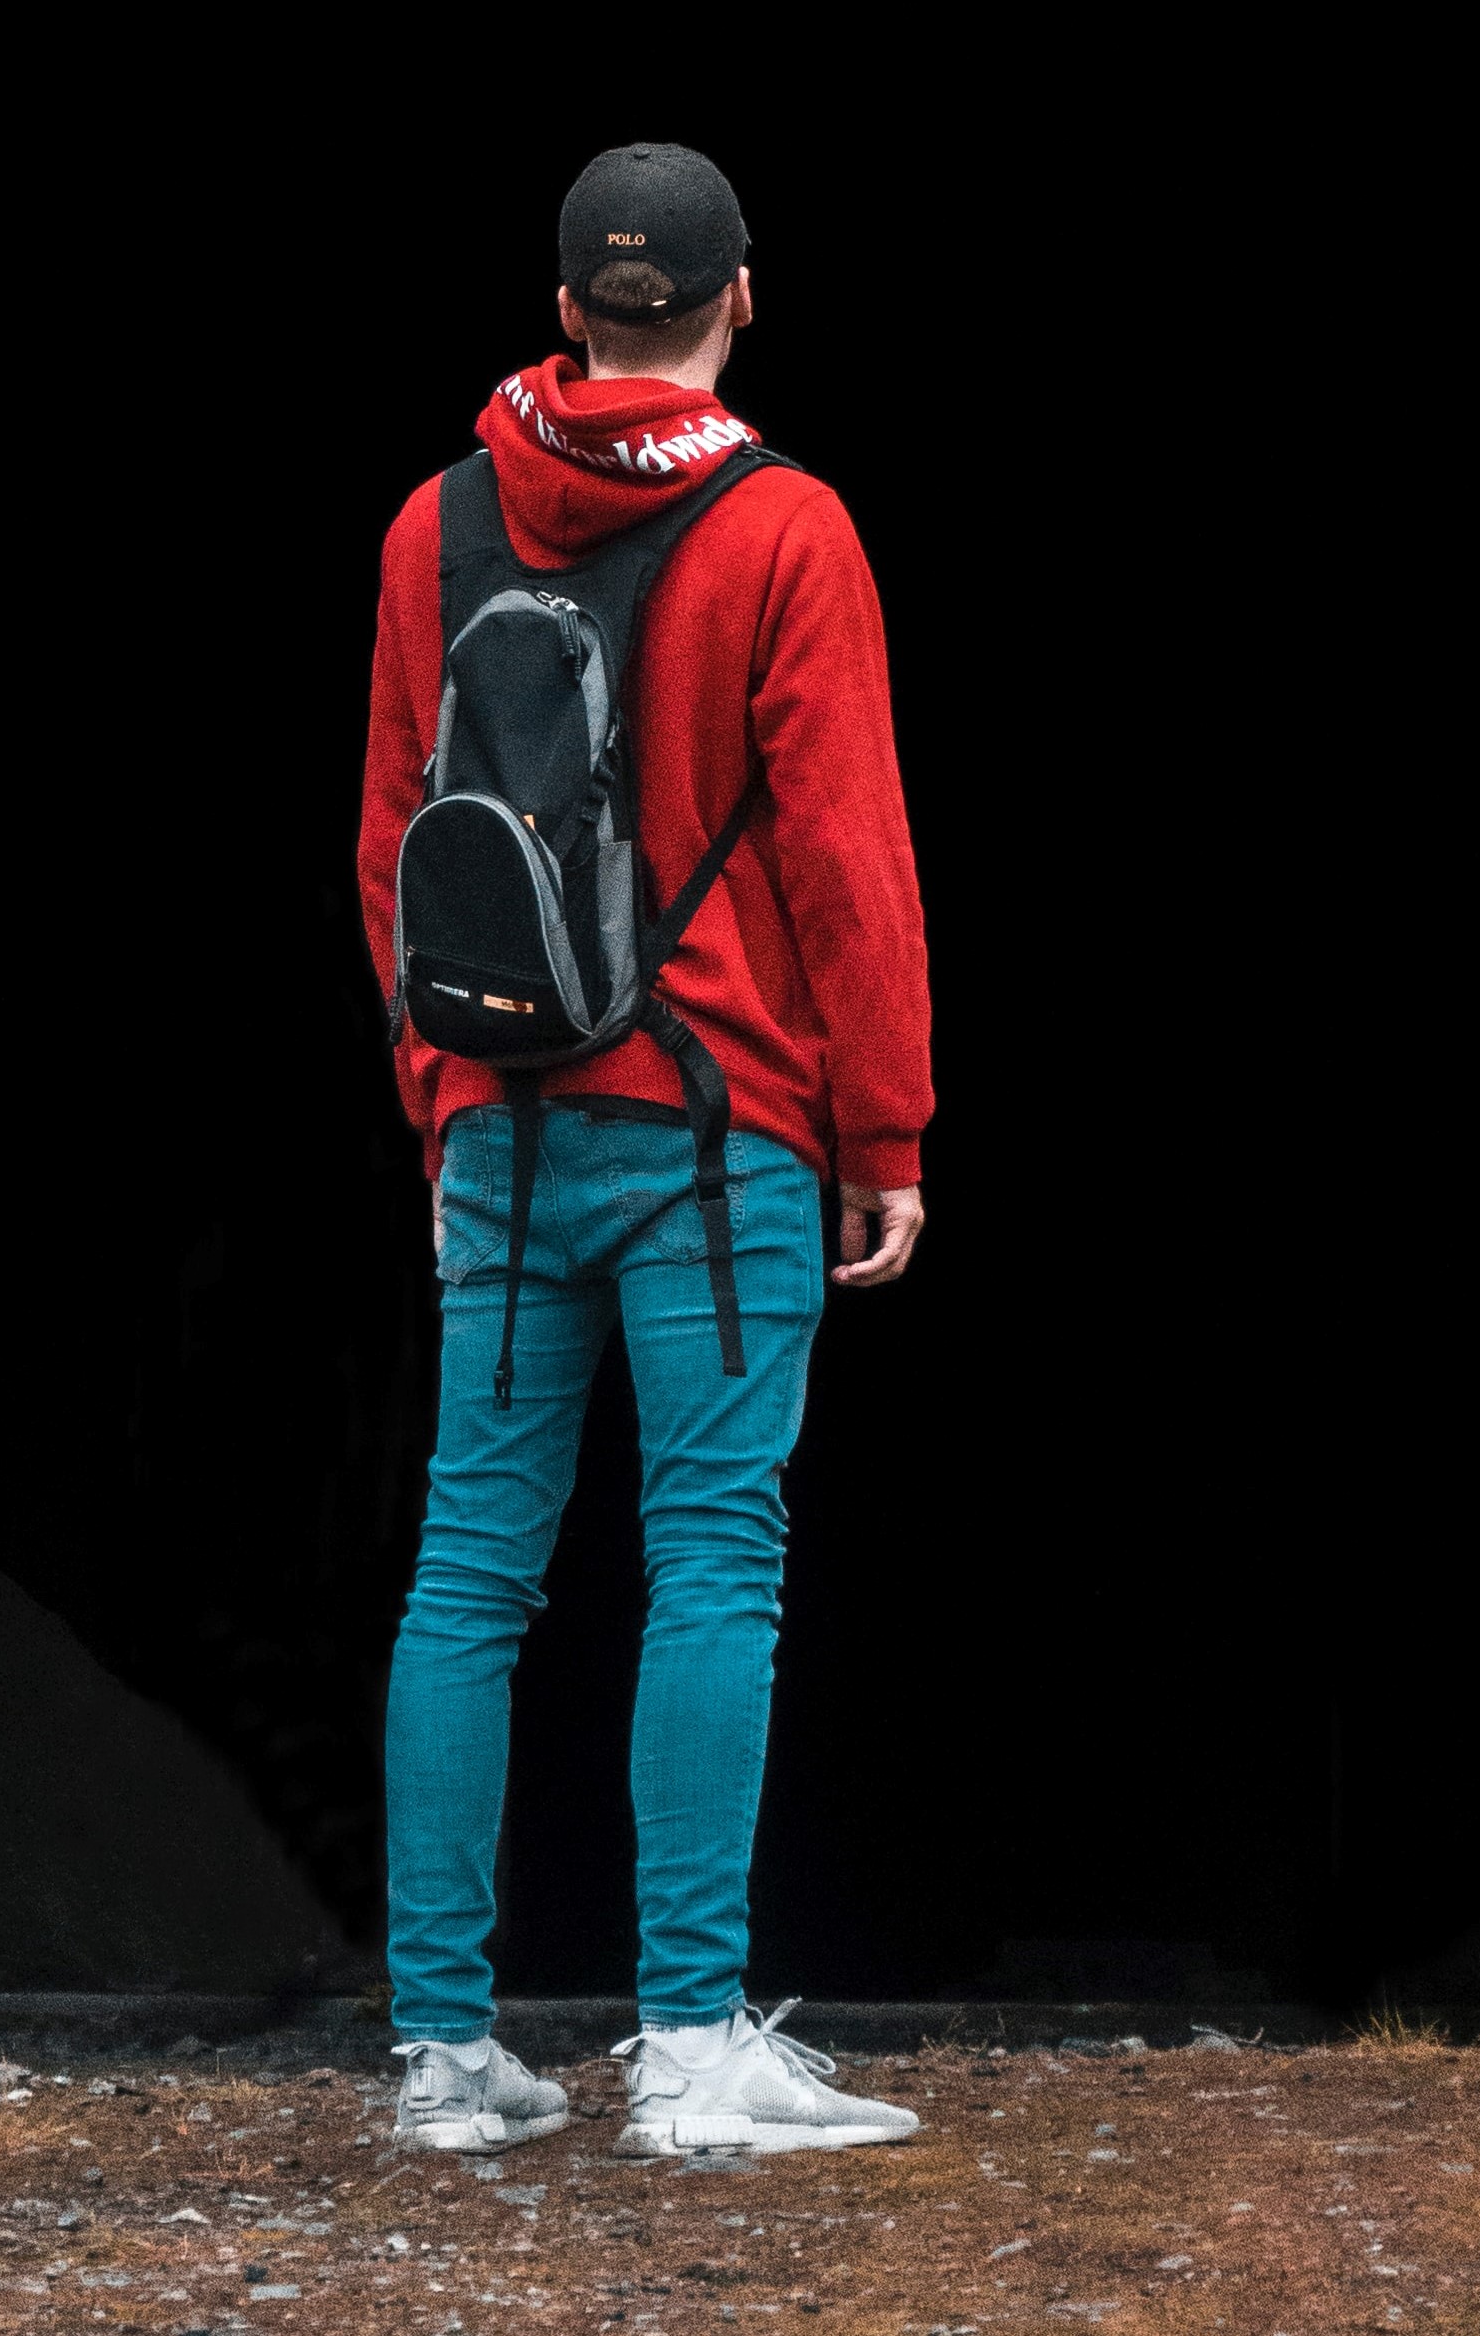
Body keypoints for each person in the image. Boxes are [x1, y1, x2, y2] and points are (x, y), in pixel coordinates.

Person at [353, 141, 934, 2158]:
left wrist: (439, 1102)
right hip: (717, 1137)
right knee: (710, 1560)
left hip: (497, 1130)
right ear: (739, 297)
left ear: (563, 305)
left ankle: (444, 2056)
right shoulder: (786, 528)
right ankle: (688, 2047)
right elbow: (844, 858)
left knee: (465, 1572)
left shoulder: (430, 527)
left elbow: (383, 851)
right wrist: (885, 1123)